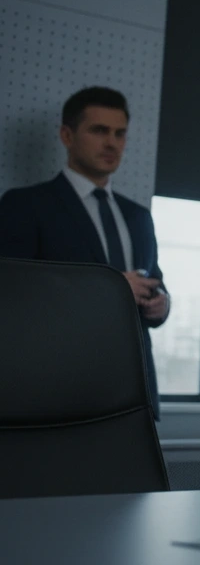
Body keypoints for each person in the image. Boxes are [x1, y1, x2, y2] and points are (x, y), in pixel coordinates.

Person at [0, 86, 170, 420]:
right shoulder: (25, 205)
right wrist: (108, 288)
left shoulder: (138, 216)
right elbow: (12, 295)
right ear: (67, 135)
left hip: (134, 396)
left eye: (120, 133)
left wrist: (161, 302)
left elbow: (153, 280)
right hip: (55, 390)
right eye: (99, 130)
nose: (112, 143)